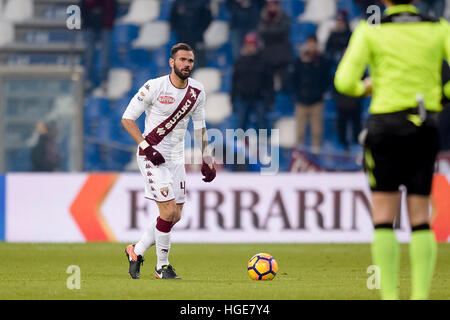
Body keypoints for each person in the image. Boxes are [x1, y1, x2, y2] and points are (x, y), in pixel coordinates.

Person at [334, 0, 450, 300]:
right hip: (423, 126)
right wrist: (441, 94)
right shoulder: (438, 29)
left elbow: (345, 82)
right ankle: (421, 296)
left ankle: (389, 296)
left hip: (384, 127)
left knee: (384, 215)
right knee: (420, 215)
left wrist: (366, 88)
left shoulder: (371, 30)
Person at [121, 43, 216, 279]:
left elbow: (200, 127)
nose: (187, 65)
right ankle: (162, 267)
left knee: (175, 215)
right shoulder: (154, 86)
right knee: (168, 211)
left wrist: (207, 159)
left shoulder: (197, 91)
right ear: (171, 62)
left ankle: (137, 250)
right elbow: (127, 119)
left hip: (176, 158)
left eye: (191, 61)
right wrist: (146, 147)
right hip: (152, 156)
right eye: (183, 60)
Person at [325, 10, 362, 150]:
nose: (339, 24)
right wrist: (338, 55)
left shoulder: (352, 36)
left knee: (356, 117)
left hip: (354, 82)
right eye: (337, 21)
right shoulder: (332, 36)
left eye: (341, 21)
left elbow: (360, 57)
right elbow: (327, 56)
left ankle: (356, 144)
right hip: (339, 82)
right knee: (342, 117)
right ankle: (342, 144)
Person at [293, 35, 331, 153]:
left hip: (316, 102)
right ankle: (300, 156)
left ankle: (316, 156)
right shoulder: (299, 61)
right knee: (300, 133)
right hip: (301, 101)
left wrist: (321, 92)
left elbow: (327, 79)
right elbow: (293, 79)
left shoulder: (322, 61)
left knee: (316, 132)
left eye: (313, 44)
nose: (311, 46)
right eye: (309, 43)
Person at [231, 33, 274, 131]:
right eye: (248, 45)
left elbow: (269, 82)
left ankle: (262, 145)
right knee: (241, 124)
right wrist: (233, 100)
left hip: (259, 97)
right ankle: (240, 145)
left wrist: (270, 99)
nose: (250, 48)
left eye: (252, 45)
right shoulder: (239, 61)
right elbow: (234, 82)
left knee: (262, 124)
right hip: (243, 98)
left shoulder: (263, 61)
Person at [80, 0, 117, 92]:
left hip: (105, 24)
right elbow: (83, 6)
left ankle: (104, 80)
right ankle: (87, 80)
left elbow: (113, 6)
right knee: (89, 55)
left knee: (105, 55)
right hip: (90, 25)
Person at [257, 0, 293, 92]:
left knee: (285, 86)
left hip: (282, 58)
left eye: (275, 3)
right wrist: (274, 33)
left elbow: (282, 31)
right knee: (267, 87)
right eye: (270, 4)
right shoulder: (262, 17)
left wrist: (270, 34)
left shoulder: (284, 17)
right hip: (267, 58)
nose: (272, 6)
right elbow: (262, 32)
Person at [169, 0, 212, 68]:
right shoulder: (178, 2)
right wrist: (179, 31)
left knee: (201, 63)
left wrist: (200, 30)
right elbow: (172, 19)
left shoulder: (202, 2)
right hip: (183, 38)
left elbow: (208, 18)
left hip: (198, 37)